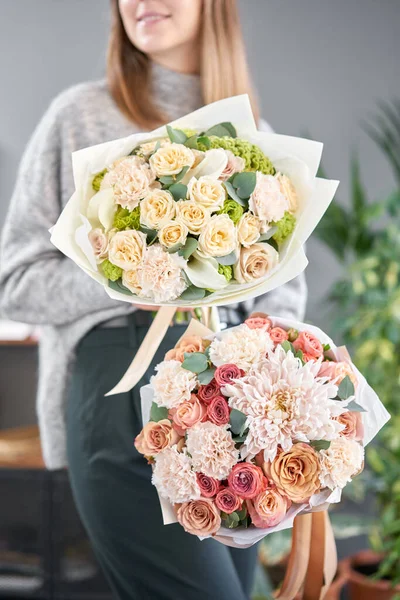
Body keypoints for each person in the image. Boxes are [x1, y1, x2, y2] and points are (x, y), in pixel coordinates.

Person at [0, 1, 307, 598]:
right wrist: (128, 277)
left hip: (238, 409)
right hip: (121, 387)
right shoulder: (80, 115)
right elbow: (14, 281)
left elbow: (284, 299)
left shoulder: (261, 143)